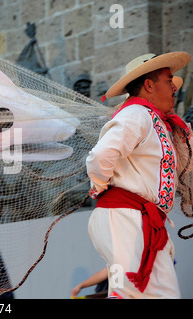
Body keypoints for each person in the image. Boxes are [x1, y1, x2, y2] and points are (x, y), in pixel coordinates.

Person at [87, 51, 191, 299]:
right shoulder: (137, 114)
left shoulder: (155, 121)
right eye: (168, 80)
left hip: (136, 221)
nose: (174, 87)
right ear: (148, 85)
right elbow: (101, 156)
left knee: (132, 293)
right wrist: (99, 186)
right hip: (126, 219)